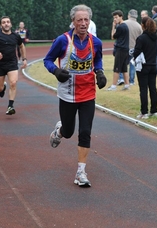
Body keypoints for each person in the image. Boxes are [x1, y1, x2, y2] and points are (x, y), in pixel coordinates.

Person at [43, 4, 106, 187]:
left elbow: (98, 59)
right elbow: (47, 60)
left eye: (86, 19)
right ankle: (60, 130)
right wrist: (55, 71)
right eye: (80, 20)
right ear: (73, 22)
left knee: (85, 132)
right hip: (68, 93)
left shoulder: (96, 42)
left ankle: (81, 172)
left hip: (88, 93)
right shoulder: (63, 41)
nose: (83, 23)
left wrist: (99, 72)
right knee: (69, 132)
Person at [0, 16, 27, 115]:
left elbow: (21, 46)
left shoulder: (15, 36)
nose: (6, 24)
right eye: (4, 22)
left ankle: (10, 106)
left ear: (11, 24)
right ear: (1, 25)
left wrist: (24, 59)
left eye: (8, 22)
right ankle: (3, 87)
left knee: (13, 83)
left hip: (12, 63)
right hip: (0, 65)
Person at [133, 17, 157, 119]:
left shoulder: (141, 38)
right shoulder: (155, 38)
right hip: (153, 65)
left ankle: (144, 112)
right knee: (153, 88)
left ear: (143, 25)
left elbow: (136, 52)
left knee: (143, 89)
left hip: (143, 67)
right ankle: (154, 110)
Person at [118, 9, 143, 86]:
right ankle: (131, 80)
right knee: (132, 64)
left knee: (122, 63)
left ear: (129, 15)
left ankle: (121, 78)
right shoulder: (139, 26)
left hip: (123, 47)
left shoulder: (123, 23)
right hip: (134, 48)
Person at [107, 10, 129, 91]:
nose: (115, 20)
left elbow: (113, 36)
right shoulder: (125, 26)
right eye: (114, 18)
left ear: (121, 17)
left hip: (120, 49)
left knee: (116, 68)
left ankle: (113, 86)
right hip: (125, 49)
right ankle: (127, 85)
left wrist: (113, 26)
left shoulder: (120, 27)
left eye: (116, 17)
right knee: (124, 68)